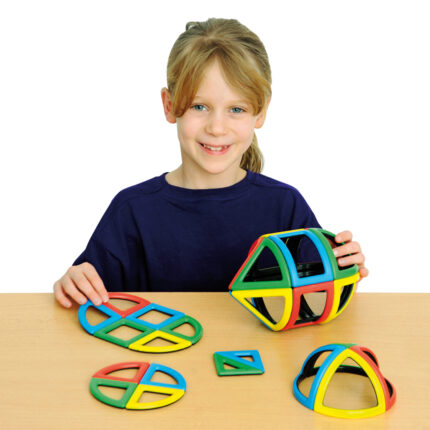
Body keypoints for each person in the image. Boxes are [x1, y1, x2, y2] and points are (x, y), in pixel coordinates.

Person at [54, 18, 368, 309]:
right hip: (163, 353)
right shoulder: (131, 211)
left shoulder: (285, 206)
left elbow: (317, 297)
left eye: (237, 109)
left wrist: (345, 269)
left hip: (262, 355)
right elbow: (88, 298)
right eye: (199, 106)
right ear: (169, 105)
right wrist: (73, 284)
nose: (217, 128)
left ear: (260, 113)